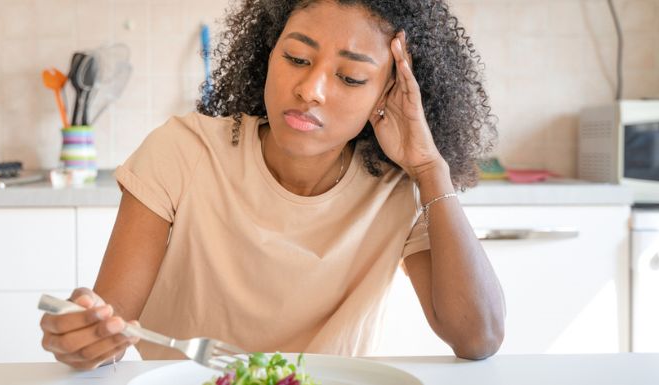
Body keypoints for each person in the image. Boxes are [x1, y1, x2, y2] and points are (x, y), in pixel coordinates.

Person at [40, 0, 505, 370]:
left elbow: (477, 337)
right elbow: (111, 329)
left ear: (387, 95)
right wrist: (88, 334)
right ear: (268, 54)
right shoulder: (181, 152)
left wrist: (429, 167)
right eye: (297, 58)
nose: (310, 89)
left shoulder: (397, 187)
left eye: (350, 76)